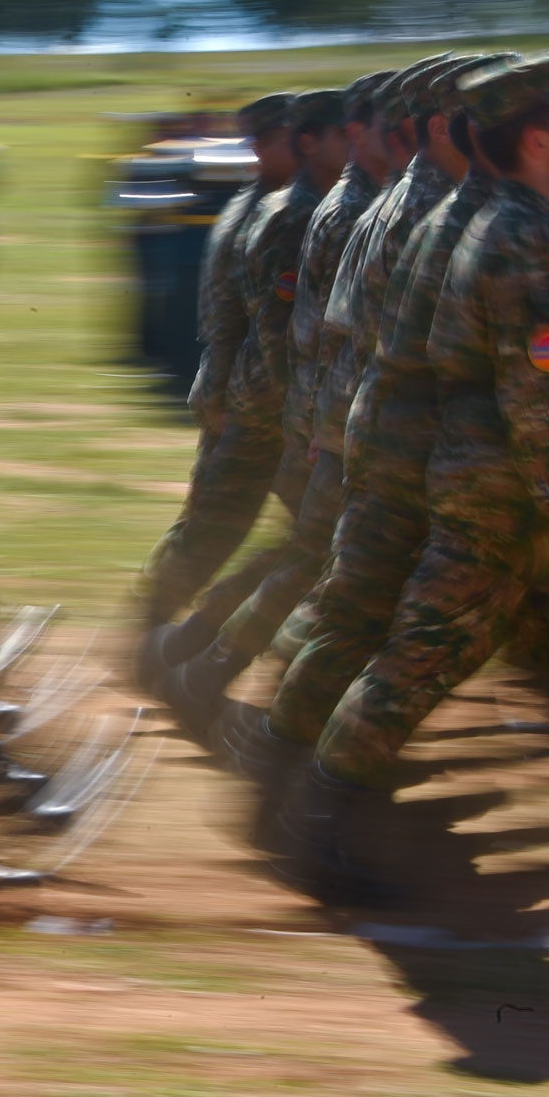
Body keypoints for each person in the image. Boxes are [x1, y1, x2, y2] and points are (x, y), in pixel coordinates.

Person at [290, 55, 549, 903]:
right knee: (419, 654)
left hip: (488, 472)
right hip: (499, 489)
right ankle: (314, 821)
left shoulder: (516, 216)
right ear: (540, 137)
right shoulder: (524, 237)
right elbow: (537, 392)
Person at [157, 88, 351, 718]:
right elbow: (274, 336)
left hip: (263, 403)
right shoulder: (286, 215)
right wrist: (304, 422)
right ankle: (160, 643)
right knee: (230, 533)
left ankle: (182, 642)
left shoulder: (284, 205)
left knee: (297, 539)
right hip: (267, 408)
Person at [135, 93, 299, 649]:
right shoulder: (271, 212)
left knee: (236, 525)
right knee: (218, 525)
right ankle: (157, 632)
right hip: (255, 399)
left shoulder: (258, 202)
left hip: (247, 392)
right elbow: (255, 322)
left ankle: (166, 630)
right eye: (287, 136)